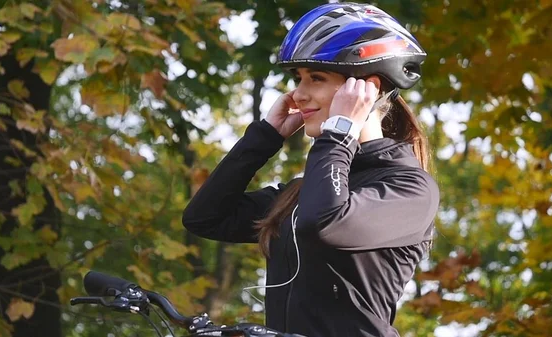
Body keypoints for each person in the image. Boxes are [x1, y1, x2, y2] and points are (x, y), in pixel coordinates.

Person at [182, 3, 440, 337]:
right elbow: (205, 217)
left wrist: (339, 131)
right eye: (298, 79)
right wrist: (264, 138)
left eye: (315, 78)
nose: (298, 94)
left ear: (367, 89)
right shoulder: (307, 189)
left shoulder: (410, 188)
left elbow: (324, 223)